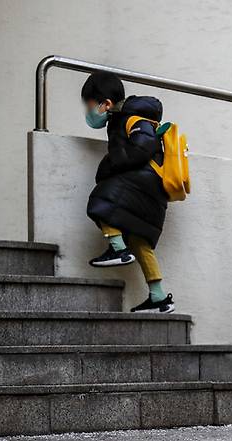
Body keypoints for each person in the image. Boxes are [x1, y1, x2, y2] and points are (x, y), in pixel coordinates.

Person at [81, 71, 175, 313]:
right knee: (140, 240)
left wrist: (111, 163)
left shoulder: (132, 118)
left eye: (90, 106)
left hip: (145, 181)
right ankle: (159, 298)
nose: (88, 112)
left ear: (107, 104)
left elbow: (142, 146)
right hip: (150, 188)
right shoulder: (122, 119)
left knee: (101, 201)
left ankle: (118, 249)